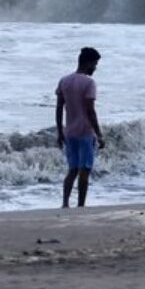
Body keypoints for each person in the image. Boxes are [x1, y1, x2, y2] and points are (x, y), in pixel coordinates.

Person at [55, 47, 106, 208]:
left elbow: (58, 108)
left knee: (72, 169)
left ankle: (65, 203)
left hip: (70, 132)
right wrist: (99, 134)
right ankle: (81, 205)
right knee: (85, 170)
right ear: (88, 63)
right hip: (85, 131)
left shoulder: (64, 81)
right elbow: (90, 110)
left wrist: (59, 131)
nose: (95, 68)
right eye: (95, 64)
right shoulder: (89, 83)